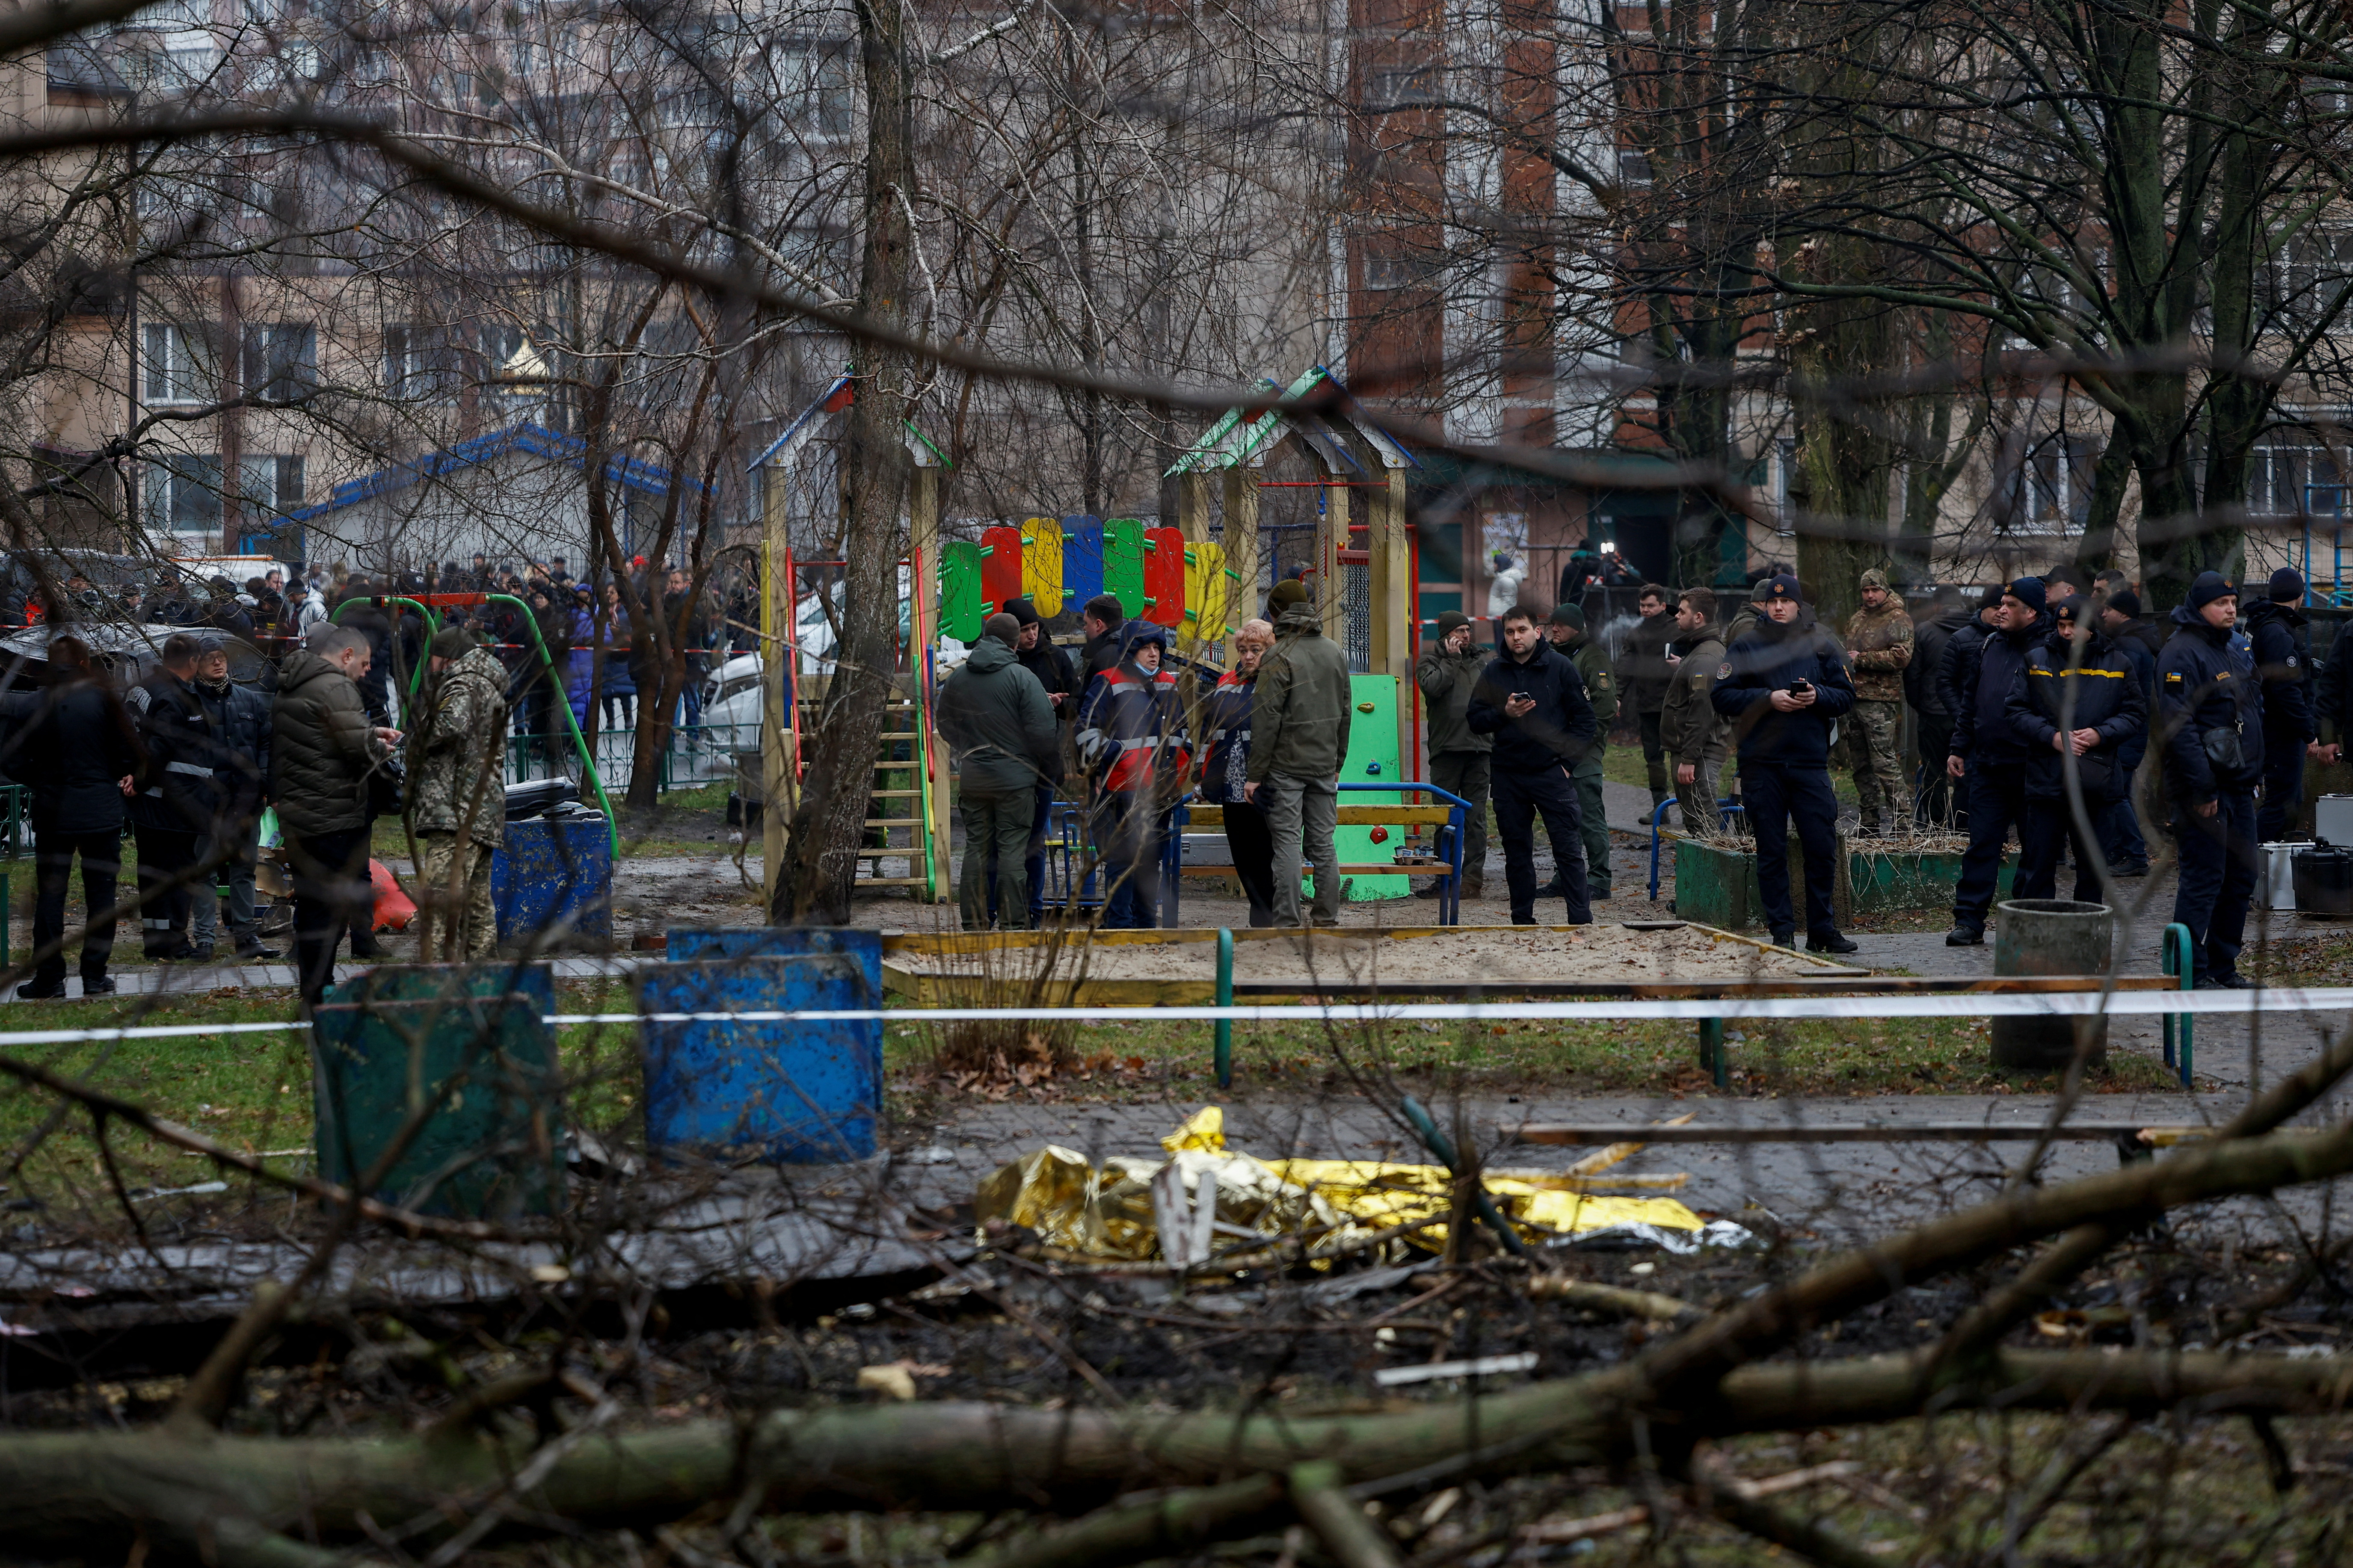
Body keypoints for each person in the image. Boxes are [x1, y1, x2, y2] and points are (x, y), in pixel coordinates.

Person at [1711, 575, 1859, 953]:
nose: (1779, 607)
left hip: (1809, 763)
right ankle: (1782, 932)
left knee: (1821, 848)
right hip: (1763, 765)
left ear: (1798, 605)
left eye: (1786, 602)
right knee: (1771, 850)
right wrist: (1768, 699)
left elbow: (1846, 695)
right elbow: (1722, 696)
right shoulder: (1746, 645)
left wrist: (1817, 696)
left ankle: (1822, 931)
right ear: (1764, 605)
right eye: (1773, 602)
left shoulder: (1821, 645)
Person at [3, 636, 136, 997]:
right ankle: (94, 975)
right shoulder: (106, 702)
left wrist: (42, 780)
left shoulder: (31, 704)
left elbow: (10, 758)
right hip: (100, 807)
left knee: (50, 896)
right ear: (84, 664)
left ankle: (49, 978)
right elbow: (129, 753)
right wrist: (105, 775)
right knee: (102, 894)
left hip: (54, 808)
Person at [275, 627, 400, 1006]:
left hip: (300, 813)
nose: (367, 671)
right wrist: (382, 746)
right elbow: (357, 748)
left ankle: (313, 990)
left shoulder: (293, 685)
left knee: (312, 907)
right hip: (332, 813)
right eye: (364, 663)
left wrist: (369, 732)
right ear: (347, 655)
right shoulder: (336, 687)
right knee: (328, 911)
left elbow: (324, 737)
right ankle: (320, 993)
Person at [2158, 571, 2265, 989]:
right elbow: (2179, 728)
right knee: (2204, 879)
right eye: (2222, 604)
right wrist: (2202, 788)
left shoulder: (2228, 649)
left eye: (2233, 603)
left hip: (2237, 785)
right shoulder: (2181, 653)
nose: (2231, 609)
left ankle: (2223, 966)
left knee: (2240, 878)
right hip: (2202, 790)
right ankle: (2188, 971)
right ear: (2200, 607)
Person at [2004, 593, 2147, 904]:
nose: (2066, 632)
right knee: (2039, 867)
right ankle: (2038, 927)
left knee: (2093, 870)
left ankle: (2087, 928)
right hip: (2048, 779)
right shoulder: (2037, 660)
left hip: (2096, 780)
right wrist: (2052, 737)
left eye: (2073, 625)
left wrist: (2100, 734)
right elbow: (2015, 711)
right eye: (2061, 625)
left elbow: (2135, 714)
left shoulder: (2117, 664)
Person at [1468, 604, 1597, 926]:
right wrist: (1504, 713)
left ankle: (1581, 919)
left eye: (1522, 630)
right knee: (1517, 852)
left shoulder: (1560, 667)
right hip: (1509, 774)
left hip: (1551, 772)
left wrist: (1567, 764)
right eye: (1510, 632)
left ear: (1537, 632)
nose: (1516, 637)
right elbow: (1475, 720)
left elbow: (1585, 721)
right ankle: (1522, 920)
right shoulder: (1494, 671)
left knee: (1567, 848)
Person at [1944, 578, 2051, 945]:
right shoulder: (1990, 644)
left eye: (2010, 605)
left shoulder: (2049, 649)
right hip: (1989, 766)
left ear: (2031, 612)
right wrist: (1959, 747)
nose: (2001, 610)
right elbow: (1971, 701)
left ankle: (2027, 922)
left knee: (2036, 850)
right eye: (2002, 604)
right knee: (1982, 845)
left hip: (2033, 767)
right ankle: (1969, 920)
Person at [939, 613, 1059, 931]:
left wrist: (970, 748)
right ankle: (1013, 922)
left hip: (974, 778)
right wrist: (1027, 758)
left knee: (976, 849)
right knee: (1012, 851)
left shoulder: (958, 678)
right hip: (1015, 782)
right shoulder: (1023, 678)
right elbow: (1043, 733)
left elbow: (945, 724)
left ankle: (974, 921)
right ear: (1014, 642)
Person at [1248, 582, 1354, 928]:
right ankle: (1326, 919)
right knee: (1323, 845)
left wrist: (1255, 775)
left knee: (1287, 845)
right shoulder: (1335, 652)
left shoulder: (1278, 656)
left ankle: (1288, 923)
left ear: (1276, 614)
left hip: (1285, 768)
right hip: (1324, 766)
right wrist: (1338, 763)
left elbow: (1266, 720)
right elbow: (1346, 712)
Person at [1075, 620, 1189, 929]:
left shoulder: (1168, 683)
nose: (1153, 655)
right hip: (1120, 789)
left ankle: (1146, 927)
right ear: (1130, 652)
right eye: (1145, 649)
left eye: (1157, 648)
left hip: (1160, 791)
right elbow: (1086, 733)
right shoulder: (1107, 681)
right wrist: (1121, 761)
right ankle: (1119, 926)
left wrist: (1174, 776)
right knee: (1121, 860)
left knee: (1150, 861)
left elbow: (1183, 736)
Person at [123, 633, 228, 961]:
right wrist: (141, 781)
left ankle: (156, 941)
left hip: (149, 804)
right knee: (179, 873)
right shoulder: (176, 696)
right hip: (176, 803)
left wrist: (130, 776)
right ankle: (175, 942)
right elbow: (161, 747)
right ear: (194, 662)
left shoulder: (142, 689)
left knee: (151, 872)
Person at [408, 625, 511, 962]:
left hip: (456, 810)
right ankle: (486, 973)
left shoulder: (463, 684)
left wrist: (414, 739)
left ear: (445, 657)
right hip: (481, 810)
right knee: (477, 901)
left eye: (432, 658)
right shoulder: (487, 683)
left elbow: (449, 726)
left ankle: (433, 974)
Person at [189, 636, 278, 962]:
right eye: (210, 658)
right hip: (206, 803)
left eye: (222, 657)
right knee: (205, 872)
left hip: (247, 801)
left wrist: (264, 779)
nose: (218, 663)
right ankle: (204, 940)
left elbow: (266, 742)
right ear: (196, 663)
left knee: (245, 870)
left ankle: (246, 937)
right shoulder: (189, 702)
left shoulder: (249, 700)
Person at [1001, 597, 1076, 926]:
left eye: (1034, 628)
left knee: (1035, 842)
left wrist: (1056, 705)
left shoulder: (1056, 658)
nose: (1031, 635)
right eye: (1024, 630)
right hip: (1009, 763)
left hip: (1044, 763)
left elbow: (1077, 705)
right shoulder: (1004, 662)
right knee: (1006, 842)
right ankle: (1005, 910)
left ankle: (1033, 910)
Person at [1198, 619, 1278, 925]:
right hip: (1229, 784)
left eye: (1255, 650)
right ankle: (1260, 916)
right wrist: (1202, 776)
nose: (1248, 656)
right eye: (1243, 650)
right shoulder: (1226, 682)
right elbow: (1209, 731)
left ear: (1269, 649)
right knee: (1243, 855)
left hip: (1265, 784)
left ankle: (1268, 917)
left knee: (1266, 854)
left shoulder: (1277, 681)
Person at [1412, 609, 1491, 899]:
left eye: (1468, 630)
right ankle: (1444, 879)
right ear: (1446, 635)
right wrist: (1452, 660)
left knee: (1476, 819)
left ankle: (1472, 881)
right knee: (1444, 819)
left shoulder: (1482, 662)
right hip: (1446, 750)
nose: (1466, 636)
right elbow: (1433, 688)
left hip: (1480, 750)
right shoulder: (1430, 662)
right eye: (1459, 631)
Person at [2247, 568, 2324, 844]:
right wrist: (2308, 732)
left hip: (2274, 727)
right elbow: (2287, 690)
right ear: (2300, 595)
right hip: (2281, 731)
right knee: (2281, 802)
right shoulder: (2277, 632)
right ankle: (2252, 858)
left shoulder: (2264, 625)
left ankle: (2272, 859)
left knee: (2289, 800)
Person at [1544, 604, 1615, 902]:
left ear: (1576, 627)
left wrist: (1579, 744)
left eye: (1560, 625)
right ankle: (1564, 877)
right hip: (1560, 752)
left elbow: (1604, 709)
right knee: (1563, 818)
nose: (1554, 629)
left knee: (1589, 816)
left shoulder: (1592, 657)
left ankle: (1599, 879)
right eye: (1553, 624)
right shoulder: (1561, 656)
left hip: (1584, 754)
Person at [1843, 568, 1914, 837]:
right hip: (1854, 698)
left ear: (1885, 590)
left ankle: (1902, 823)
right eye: (1866, 590)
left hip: (1880, 702)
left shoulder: (1898, 618)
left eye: (1875, 590)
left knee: (1884, 763)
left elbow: (1901, 657)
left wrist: (1861, 658)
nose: (1870, 595)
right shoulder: (1857, 619)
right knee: (1860, 764)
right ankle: (1869, 821)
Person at [2095, 589, 2160, 876]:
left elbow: (2118, 691)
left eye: (2108, 610)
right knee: (2119, 792)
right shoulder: (2133, 642)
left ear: (2122, 613)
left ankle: (2135, 854)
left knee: (2117, 794)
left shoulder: (2128, 646)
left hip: (2125, 732)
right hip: (2129, 730)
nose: (2103, 614)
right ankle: (2120, 851)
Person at [1660, 588, 1731, 836]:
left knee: (1704, 825)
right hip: (1695, 752)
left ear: (1698, 617)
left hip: (1699, 754)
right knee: (1698, 823)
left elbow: (1702, 711)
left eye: (1682, 612)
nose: (1677, 616)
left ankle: (1718, 864)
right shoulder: (1700, 651)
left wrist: (1689, 759)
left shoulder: (1706, 657)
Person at [1906, 586, 1971, 827]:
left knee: (1934, 772)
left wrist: (1919, 705)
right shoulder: (1976, 631)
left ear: (1936, 605)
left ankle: (1938, 827)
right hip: (1967, 714)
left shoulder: (1924, 631)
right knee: (1968, 770)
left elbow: (1913, 675)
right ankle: (1964, 825)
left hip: (1933, 713)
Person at [1621, 584, 1678, 824]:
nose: (1645, 610)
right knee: (1653, 759)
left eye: (1651, 606)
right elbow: (1625, 666)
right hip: (1647, 703)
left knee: (1683, 756)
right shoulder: (1636, 633)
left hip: (1676, 704)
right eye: (1643, 605)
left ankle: (1693, 808)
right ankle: (1660, 808)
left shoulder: (1678, 628)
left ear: (1663, 606)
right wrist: (1617, 696)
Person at [1078, 594, 1128, 688]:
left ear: (1098, 625)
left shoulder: (1105, 659)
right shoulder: (1133, 649)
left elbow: (1095, 696)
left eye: (1086, 623)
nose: (1084, 628)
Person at [1485, 553, 1526, 619]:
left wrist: (1504, 616)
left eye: (1496, 563)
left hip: (1502, 616)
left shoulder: (1506, 580)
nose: (1494, 566)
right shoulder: (1501, 578)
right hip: (1499, 615)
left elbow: (1510, 601)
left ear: (1501, 564)